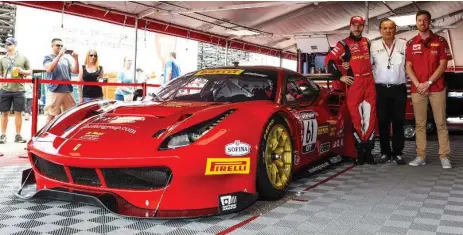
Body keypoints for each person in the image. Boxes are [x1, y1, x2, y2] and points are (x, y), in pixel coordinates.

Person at [325, 16, 377, 165]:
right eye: (354, 25)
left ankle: (369, 150)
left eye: (360, 25)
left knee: (370, 117)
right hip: (355, 84)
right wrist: (340, 76)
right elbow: (329, 60)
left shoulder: (368, 42)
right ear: (350, 27)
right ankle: (360, 150)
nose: (357, 28)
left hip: (369, 83)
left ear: (363, 27)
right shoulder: (342, 44)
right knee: (357, 118)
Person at [405, 10, 453, 169]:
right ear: (416, 22)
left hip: (437, 88)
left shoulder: (440, 41)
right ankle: (420, 155)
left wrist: (428, 82)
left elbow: (443, 65)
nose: (422, 23)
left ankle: (444, 156)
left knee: (440, 123)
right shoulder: (411, 43)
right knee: (420, 124)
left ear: (430, 22)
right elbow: (408, 66)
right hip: (417, 89)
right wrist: (419, 84)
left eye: (425, 20)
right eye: (419, 20)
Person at [370, 19, 407, 165]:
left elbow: (410, 65)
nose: (388, 31)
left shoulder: (404, 44)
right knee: (383, 121)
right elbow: (366, 66)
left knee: (399, 122)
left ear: (395, 29)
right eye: (385, 28)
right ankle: (385, 152)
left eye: (391, 28)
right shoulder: (373, 45)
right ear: (380, 30)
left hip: (399, 88)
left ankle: (397, 152)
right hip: (380, 89)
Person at [0, 37, 31, 144]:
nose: (7, 46)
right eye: (6, 44)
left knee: (18, 113)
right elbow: (0, 73)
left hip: (19, 90)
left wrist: (23, 71)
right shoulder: (2, 58)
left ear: (15, 45)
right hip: (5, 89)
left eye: (9, 44)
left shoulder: (23, 58)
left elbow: (30, 71)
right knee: (4, 113)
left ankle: (18, 135)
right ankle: (3, 135)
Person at [43, 38, 78, 124]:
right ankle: (45, 135)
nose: (60, 47)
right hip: (55, 90)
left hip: (67, 90)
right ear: (52, 46)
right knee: (51, 115)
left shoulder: (66, 59)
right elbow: (49, 69)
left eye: (62, 46)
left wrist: (76, 59)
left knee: (70, 115)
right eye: (58, 45)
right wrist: (58, 56)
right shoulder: (48, 57)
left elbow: (75, 71)